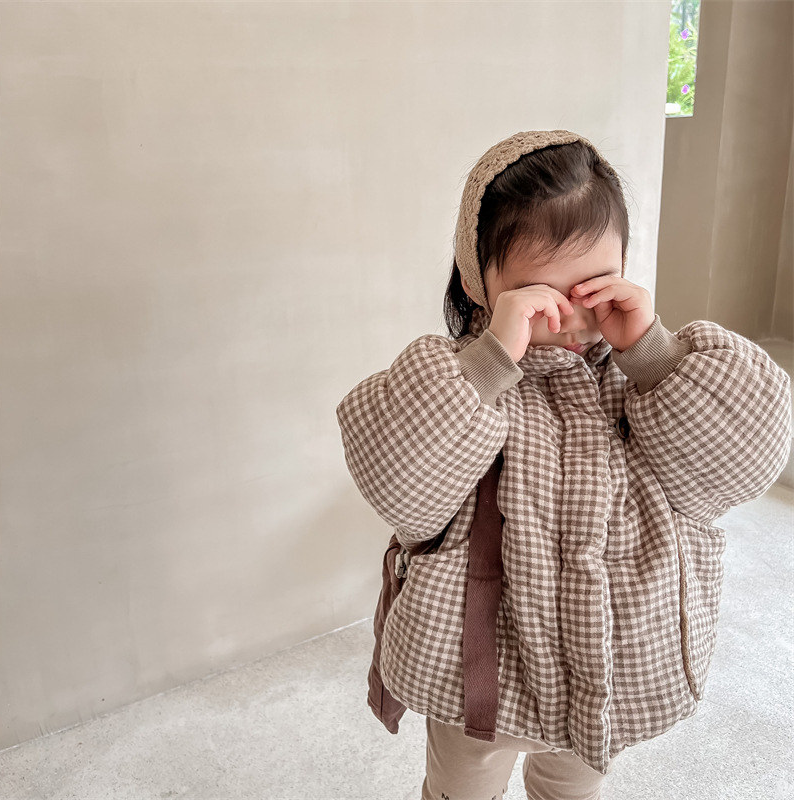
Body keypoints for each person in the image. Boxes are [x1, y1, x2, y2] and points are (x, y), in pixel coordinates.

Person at [335, 130, 792, 800]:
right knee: (460, 788)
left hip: (609, 671)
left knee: (572, 790)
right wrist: (490, 361)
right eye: (534, 293)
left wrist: (656, 356)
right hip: (474, 675)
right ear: (477, 281)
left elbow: (744, 465)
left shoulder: (653, 380)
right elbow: (400, 486)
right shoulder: (453, 381)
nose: (569, 315)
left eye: (592, 285)